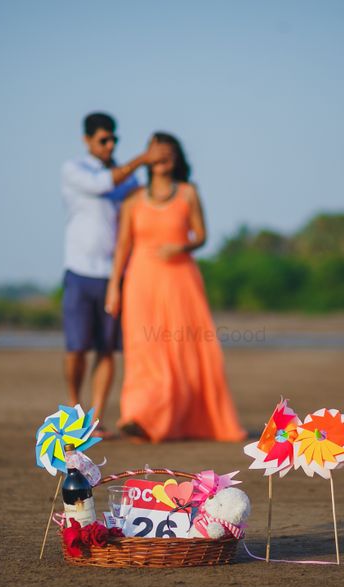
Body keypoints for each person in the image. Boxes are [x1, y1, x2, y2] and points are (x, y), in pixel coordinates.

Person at [105, 132, 246, 443]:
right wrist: (114, 286)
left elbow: (202, 235)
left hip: (181, 280)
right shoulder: (134, 200)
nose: (162, 158)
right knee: (144, 350)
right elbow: (122, 246)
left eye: (168, 153)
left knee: (183, 351)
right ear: (149, 158)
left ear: (177, 159)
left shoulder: (188, 194)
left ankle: (174, 420)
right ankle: (139, 416)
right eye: (156, 153)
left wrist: (181, 247)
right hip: (141, 281)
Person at [60, 112, 165, 434]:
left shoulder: (128, 179)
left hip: (115, 274)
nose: (109, 145)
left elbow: (143, 204)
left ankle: (95, 418)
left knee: (107, 347)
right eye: (103, 140)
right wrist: (143, 159)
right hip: (79, 269)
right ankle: (73, 409)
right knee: (77, 347)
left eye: (113, 140)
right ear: (87, 140)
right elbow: (102, 183)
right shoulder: (74, 169)